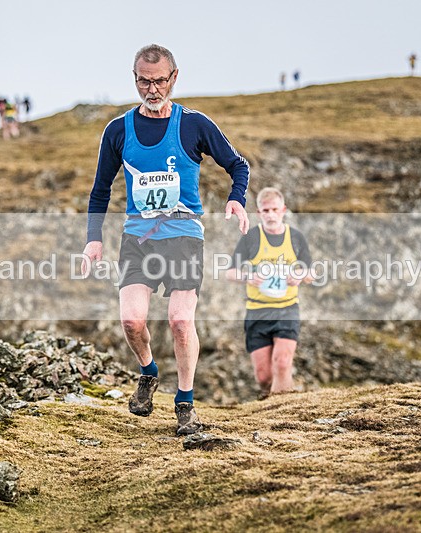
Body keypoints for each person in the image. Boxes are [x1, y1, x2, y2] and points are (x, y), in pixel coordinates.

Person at [81, 44, 250, 435]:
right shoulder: (118, 130)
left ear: (174, 77)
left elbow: (238, 165)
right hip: (138, 238)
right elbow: (100, 190)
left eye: (159, 81)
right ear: (134, 79)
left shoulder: (194, 125)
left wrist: (236, 199)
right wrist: (93, 239)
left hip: (184, 236)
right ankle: (148, 371)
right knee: (131, 320)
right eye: (144, 81)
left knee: (180, 320)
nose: (152, 89)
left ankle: (185, 403)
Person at [226, 188, 313, 399]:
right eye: (266, 210)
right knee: (264, 376)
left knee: (282, 363)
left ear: (283, 210)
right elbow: (229, 272)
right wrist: (248, 277)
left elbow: (311, 273)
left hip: (287, 309)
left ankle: (284, 408)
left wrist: (300, 275)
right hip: (257, 311)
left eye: (275, 209)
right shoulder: (251, 238)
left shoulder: (296, 238)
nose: (271, 215)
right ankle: (271, 402)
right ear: (259, 213)